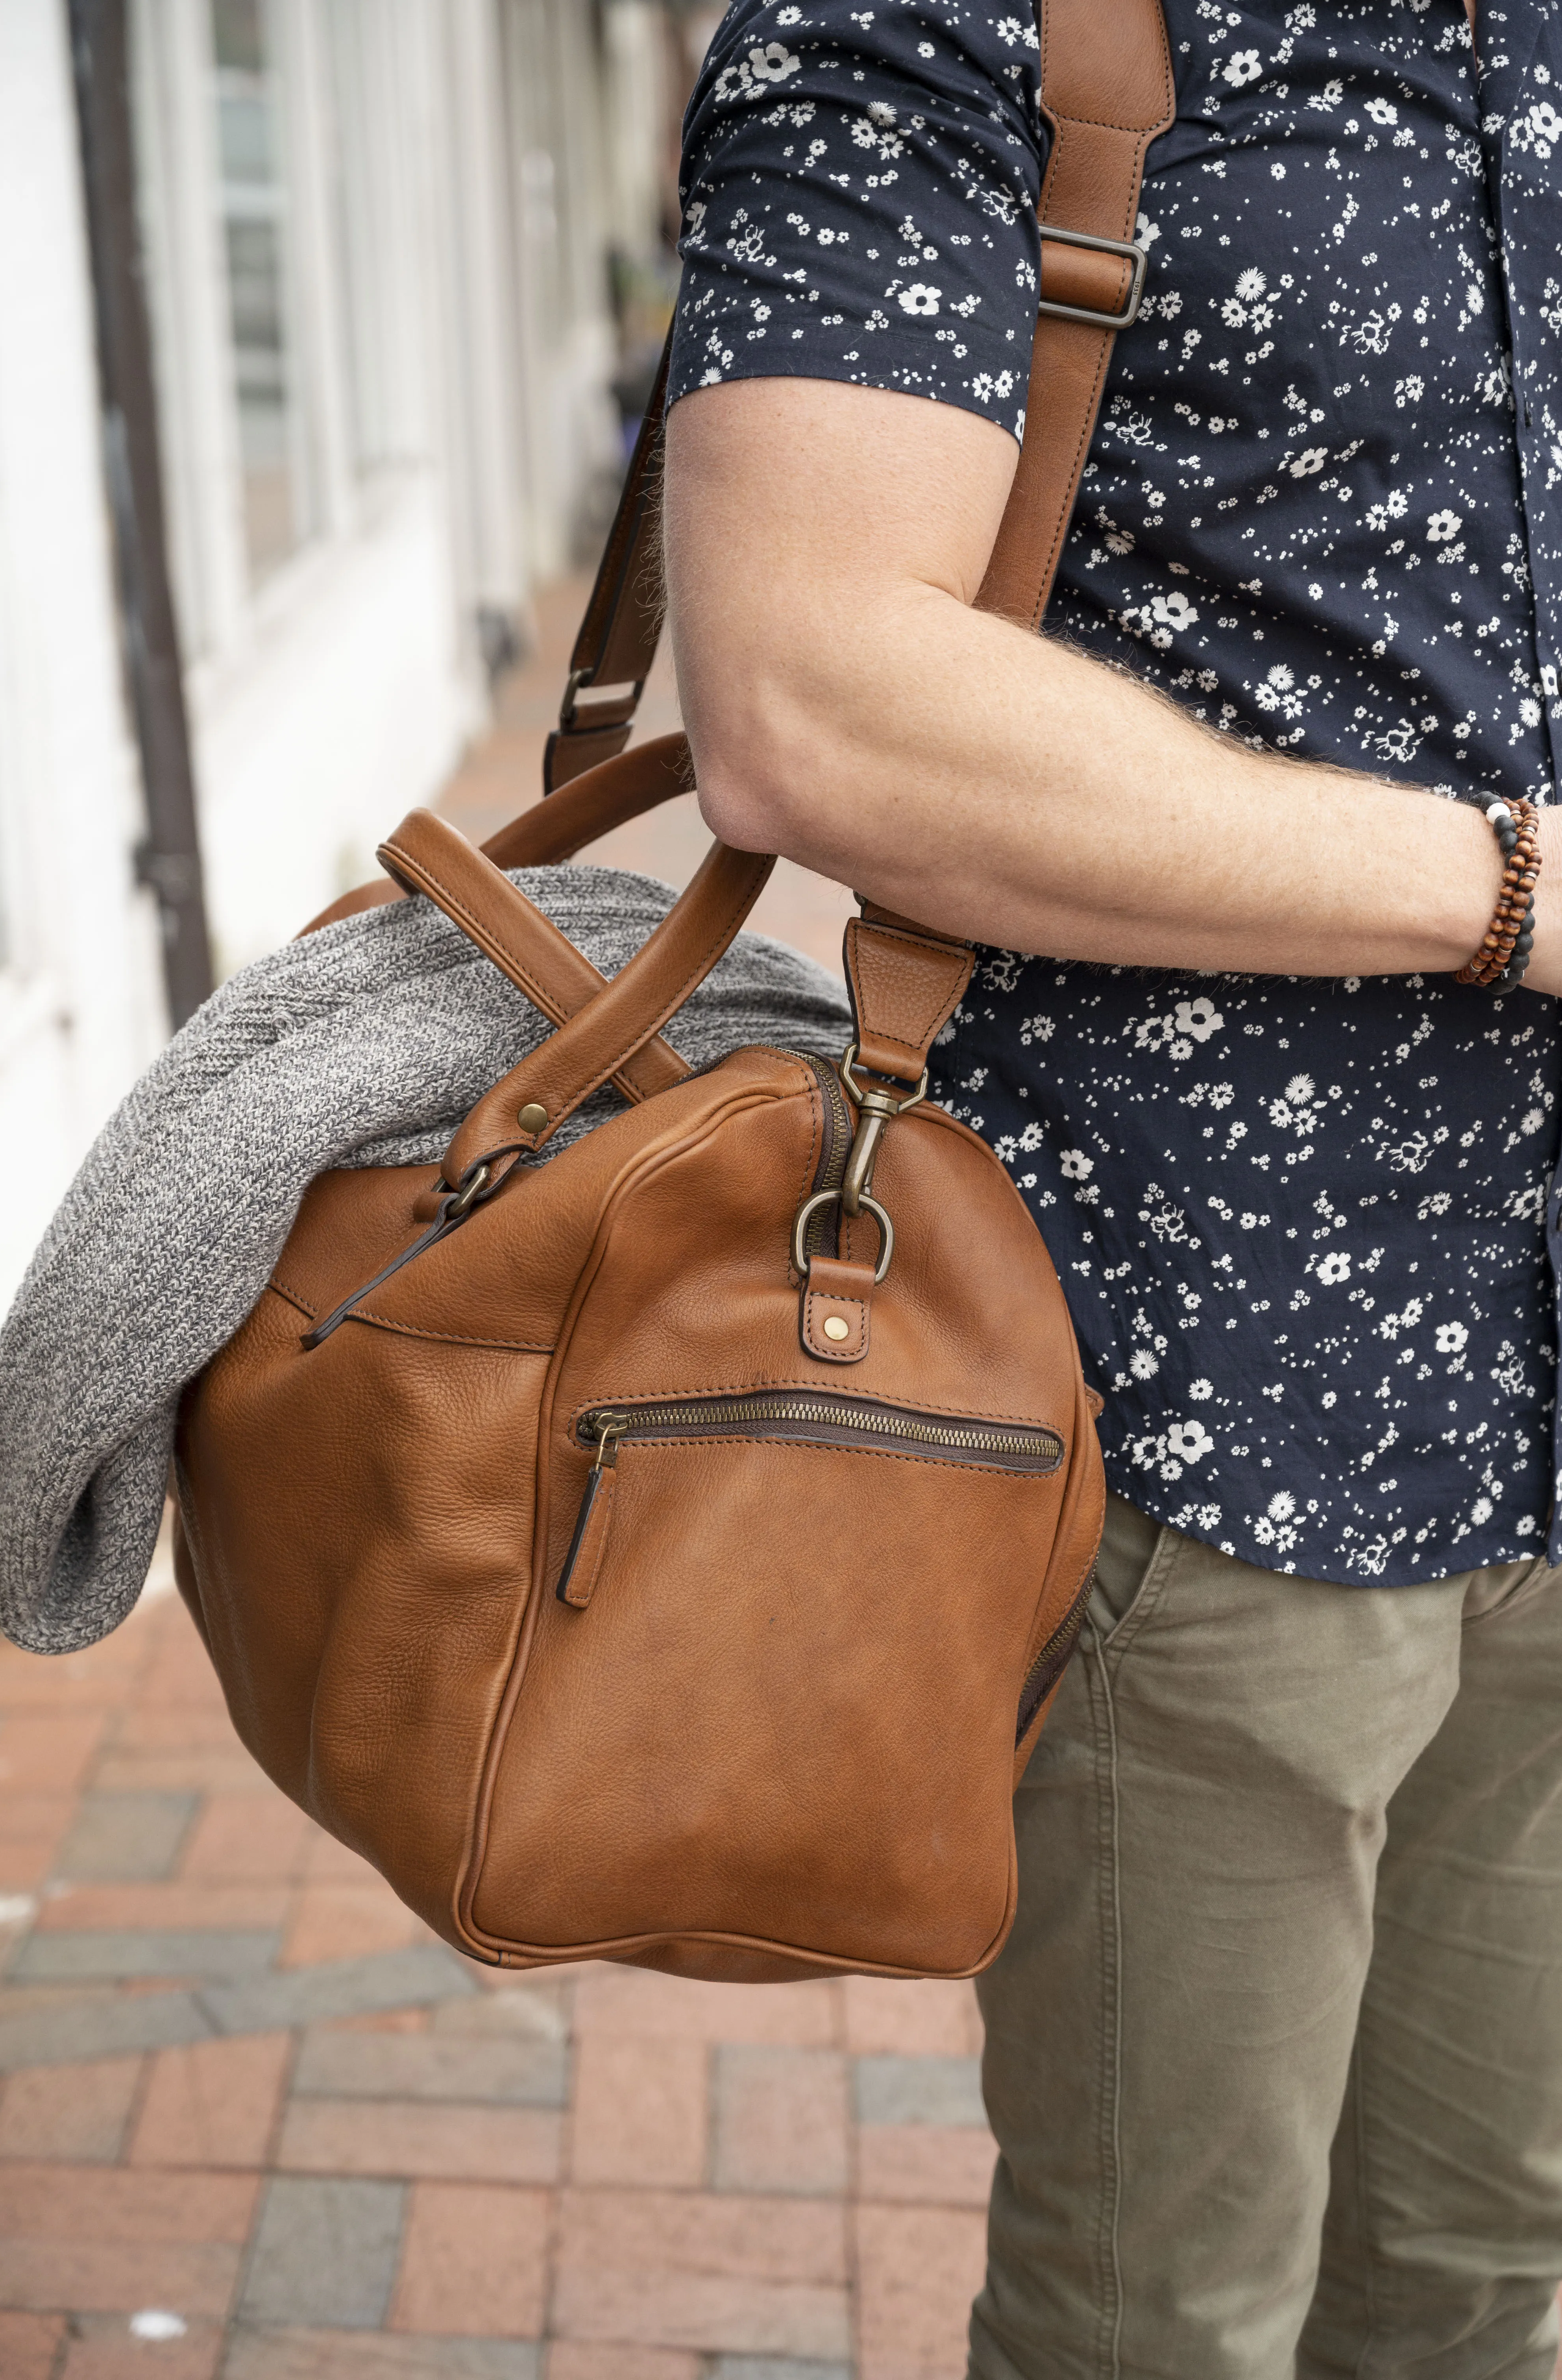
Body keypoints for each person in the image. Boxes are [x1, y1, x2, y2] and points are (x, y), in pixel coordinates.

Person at [660, 2, 1562, 2373]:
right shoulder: (962, 28)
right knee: (1163, 2321)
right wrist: (1502, 893)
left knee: (1485, 2288)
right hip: (1204, 1405)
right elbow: (807, 689)